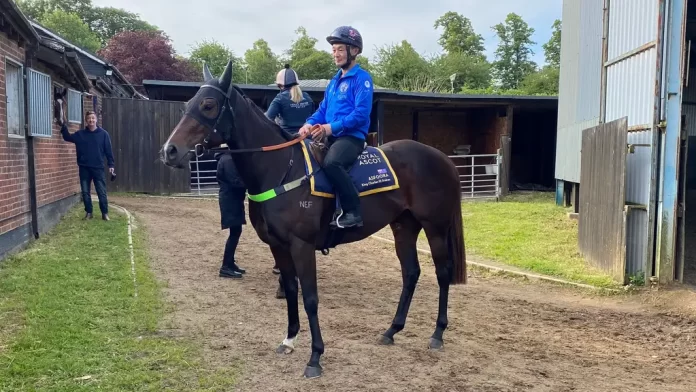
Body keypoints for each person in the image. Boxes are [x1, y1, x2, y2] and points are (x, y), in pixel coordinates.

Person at [298, 26, 374, 228]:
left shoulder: (362, 79)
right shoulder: (334, 81)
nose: (336, 54)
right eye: (333, 50)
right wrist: (308, 124)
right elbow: (323, 110)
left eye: (340, 49)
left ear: (354, 51)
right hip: (330, 135)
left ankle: (353, 212)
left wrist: (330, 128)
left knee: (332, 163)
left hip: (351, 137)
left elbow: (361, 114)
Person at [60, 110, 115, 221]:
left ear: (96, 120)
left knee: (102, 192)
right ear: (86, 121)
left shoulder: (104, 134)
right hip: (84, 168)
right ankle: (89, 213)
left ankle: (105, 213)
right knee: (85, 192)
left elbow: (108, 151)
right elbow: (67, 137)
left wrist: (111, 164)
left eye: (93, 118)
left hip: (98, 168)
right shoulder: (80, 135)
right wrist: (63, 125)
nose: (91, 120)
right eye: (89, 118)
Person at [215, 151, 248, 278]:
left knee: (236, 232)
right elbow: (235, 181)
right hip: (230, 199)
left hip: (232, 199)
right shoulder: (228, 160)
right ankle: (225, 267)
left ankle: (230, 263)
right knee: (234, 233)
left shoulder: (227, 158)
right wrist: (251, 185)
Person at [265, 64, 315, 135]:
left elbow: (267, 119)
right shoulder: (307, 96)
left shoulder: (279, 98)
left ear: (280, 85)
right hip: (307, 137)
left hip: (287, 139)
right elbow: (314, 117)